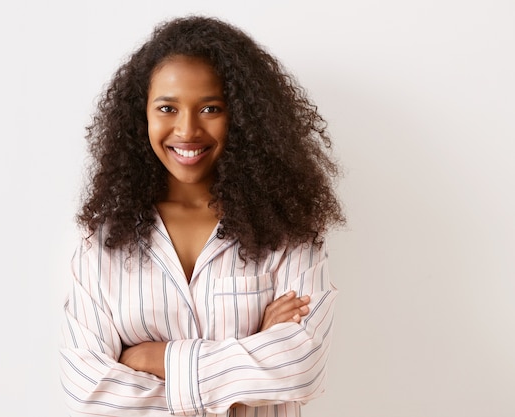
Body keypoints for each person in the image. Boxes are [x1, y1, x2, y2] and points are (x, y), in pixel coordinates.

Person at [60, 15, 345, 416]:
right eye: (167, 108)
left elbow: (301, 367)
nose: (187, 129)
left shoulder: (287, 231)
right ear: (140, 115)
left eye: (210, 107)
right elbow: (89, 390)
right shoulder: (103, 240)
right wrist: (254, 350)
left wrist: (154, 360)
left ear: (243, 117)